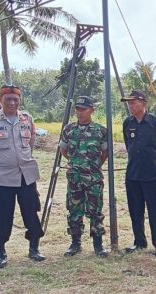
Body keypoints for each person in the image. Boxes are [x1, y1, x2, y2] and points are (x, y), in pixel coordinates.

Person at [0, 85, 46, 268]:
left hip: (26, 174)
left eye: (15, 99)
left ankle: (34, 249)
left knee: (31, 211)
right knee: (2, 215)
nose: (12, 102)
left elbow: (30, 144)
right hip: (2, 176)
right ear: (0, 100)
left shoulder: (27, 119)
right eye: (8, 99)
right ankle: (0, 253)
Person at [121, 90, 156, 256]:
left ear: (143, 103)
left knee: (155, 209)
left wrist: (154, 164)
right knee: (135, 210)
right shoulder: (128, 123)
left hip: (152, 175)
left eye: (133, 102)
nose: (130, 105)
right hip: (133, 174)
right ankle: (139, 241)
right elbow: (129, 146)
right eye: (129, 103)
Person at [59, 96, 109, 258]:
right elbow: (64, 150)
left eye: (83, 109)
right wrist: (76, 163)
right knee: (74, 210)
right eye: (77, 109)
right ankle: (75, 243)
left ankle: (98, 244)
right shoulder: (69, 130)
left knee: (95, 211)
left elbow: (105, 153)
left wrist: (92, 166)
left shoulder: (100, 131)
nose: (80, 113)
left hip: (93, 178)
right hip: (74, 178)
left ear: (92, 110)